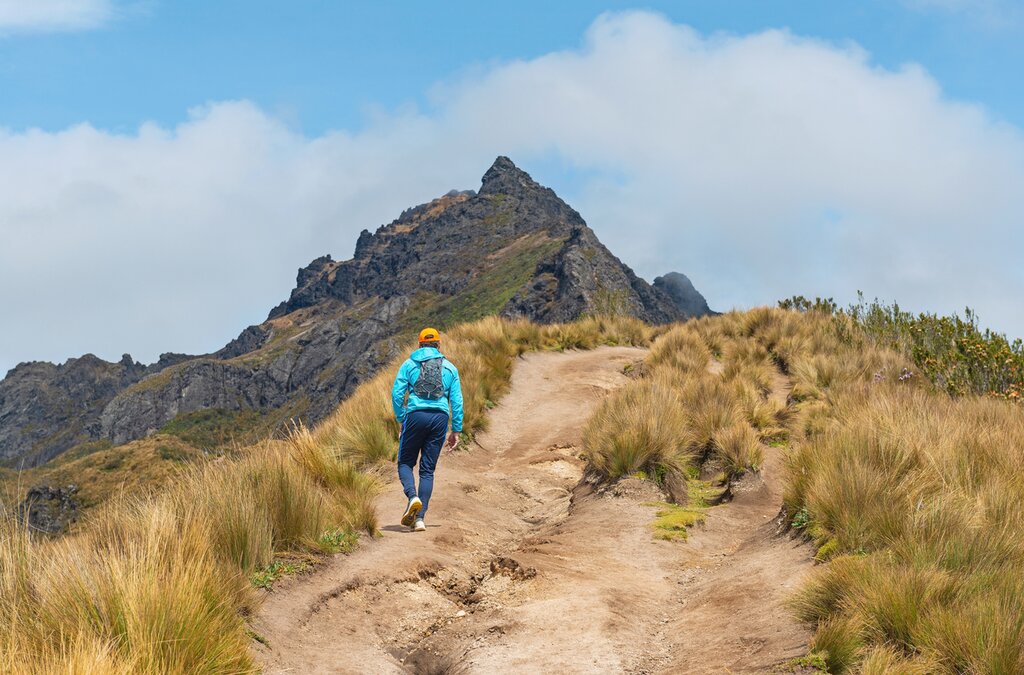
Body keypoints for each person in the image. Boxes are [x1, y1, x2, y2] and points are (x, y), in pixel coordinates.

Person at [391, 327, 464, 532]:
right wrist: (456, 430)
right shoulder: (450, 368)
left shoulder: (409, 364)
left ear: (419, 344)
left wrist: (401, 418)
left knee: (405, 462)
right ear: (439, 345)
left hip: (415, 415)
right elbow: (457, 401)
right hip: (440, 418)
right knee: (427, 470)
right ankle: (420, 519)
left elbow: (397, 394)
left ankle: (412, 496)